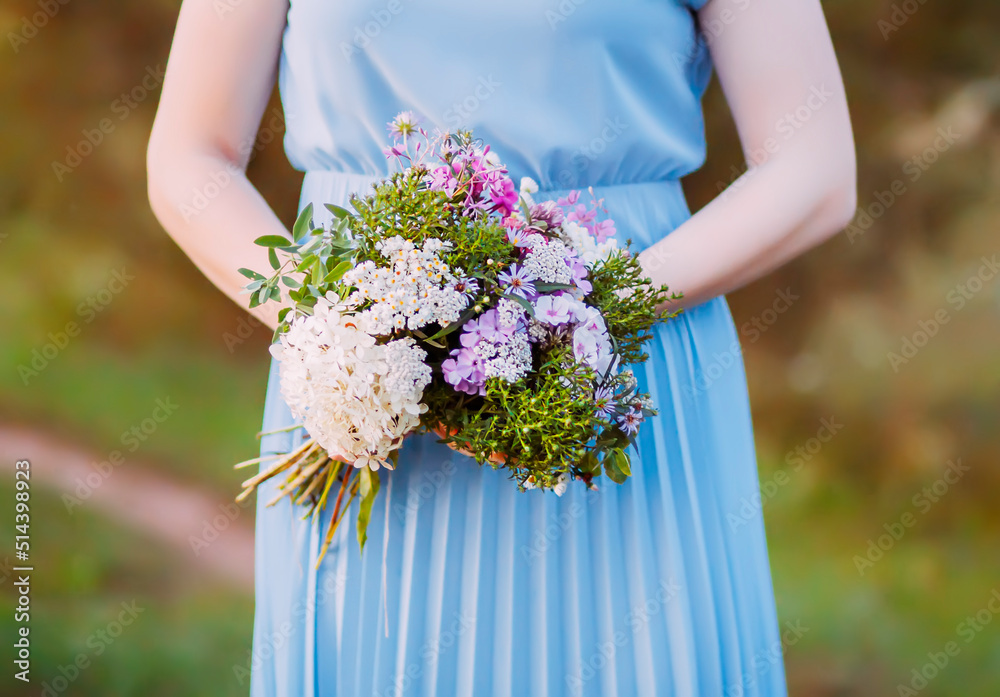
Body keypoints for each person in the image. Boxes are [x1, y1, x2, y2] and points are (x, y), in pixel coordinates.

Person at [147, 1, 856, 695]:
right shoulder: (350, 339)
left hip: (619, 370)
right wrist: (342, 332)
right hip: (369, 382)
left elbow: (813, 166)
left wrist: (584, 310)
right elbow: (191, 154)